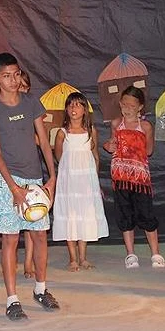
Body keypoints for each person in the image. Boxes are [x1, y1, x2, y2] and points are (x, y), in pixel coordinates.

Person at [0, 52, 59, 321]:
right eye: (6, 76)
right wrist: (13, 188)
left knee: (39, 235)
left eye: (15, 74)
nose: (12, 80)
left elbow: (44, 142)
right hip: (6, 183)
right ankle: (12, 299)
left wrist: (52, 177)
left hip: (35, 181)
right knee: (10, 239)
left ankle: (41, 289)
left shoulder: (31, 102)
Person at [103, 86, 163, 269]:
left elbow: (150, 150)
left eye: (132, 104)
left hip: (140, 179)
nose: (127, 107)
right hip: (120, 177)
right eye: (125, 103)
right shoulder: (116, 124)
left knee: (146, 215)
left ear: (140, 107)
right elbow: (110, 144)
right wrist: (109, 146)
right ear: (120, 104)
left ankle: (156, 253)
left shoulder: (145, 126)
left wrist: (136, 146)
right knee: (125, 215)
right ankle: (130, 253)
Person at [51, 92, 108, 271]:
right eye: (70, 105)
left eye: (77, 105)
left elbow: (96, 157)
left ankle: (83, 257)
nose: (73, 108)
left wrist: (95, 183)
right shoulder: (62, 133)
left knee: (84, 216)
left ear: (85, 109)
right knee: (71, 216)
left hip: (86, 183)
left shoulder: (91, 132)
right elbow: (60, 156)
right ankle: (73, 259)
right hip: (69, 183)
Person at [17, 70, 36, 279]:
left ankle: (28, 262)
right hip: (10, 170)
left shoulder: (32, 108)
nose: (18, 88)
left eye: (23, 86)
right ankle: (11, 256)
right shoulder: (1, 108)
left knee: (31, 216)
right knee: (13, 219)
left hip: (30, 167)